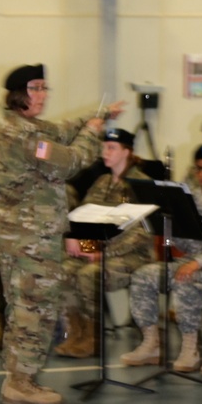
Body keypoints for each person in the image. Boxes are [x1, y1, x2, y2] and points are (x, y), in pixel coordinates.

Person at [0, 65, 118, 404]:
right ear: (18, 93)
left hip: (31, 235)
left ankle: (19, 378)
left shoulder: (29, 127)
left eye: (46, 88)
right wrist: (93, 133)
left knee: (27, 307)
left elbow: (61, 130)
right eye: (35, 88)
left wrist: (99, 116)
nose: (43, 94)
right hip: (29, 237)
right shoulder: (22, 135)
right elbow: (69, 161)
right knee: (35, 308)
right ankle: (21, 383)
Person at [120, 144, 202, 373]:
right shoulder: (191, 197)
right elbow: (186, 241)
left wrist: (196, 263)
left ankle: (190, 348)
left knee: (185, 278)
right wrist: (167, 225)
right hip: (190, 260)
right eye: (199, 168)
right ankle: (151, 343)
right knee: (143, 276)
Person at [57, 126, 154, 359]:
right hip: (100, 252)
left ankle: (93, 337)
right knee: (64, 271)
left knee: (89, 275)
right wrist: (78, 242)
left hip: (133, 256)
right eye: (103, 148)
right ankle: (76, 331)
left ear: (127, 152)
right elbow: (85, 217)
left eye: (111, 148)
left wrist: (102, 254)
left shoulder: (141, 184)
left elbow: (140, 234)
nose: (105, 153)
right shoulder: (102, 181)